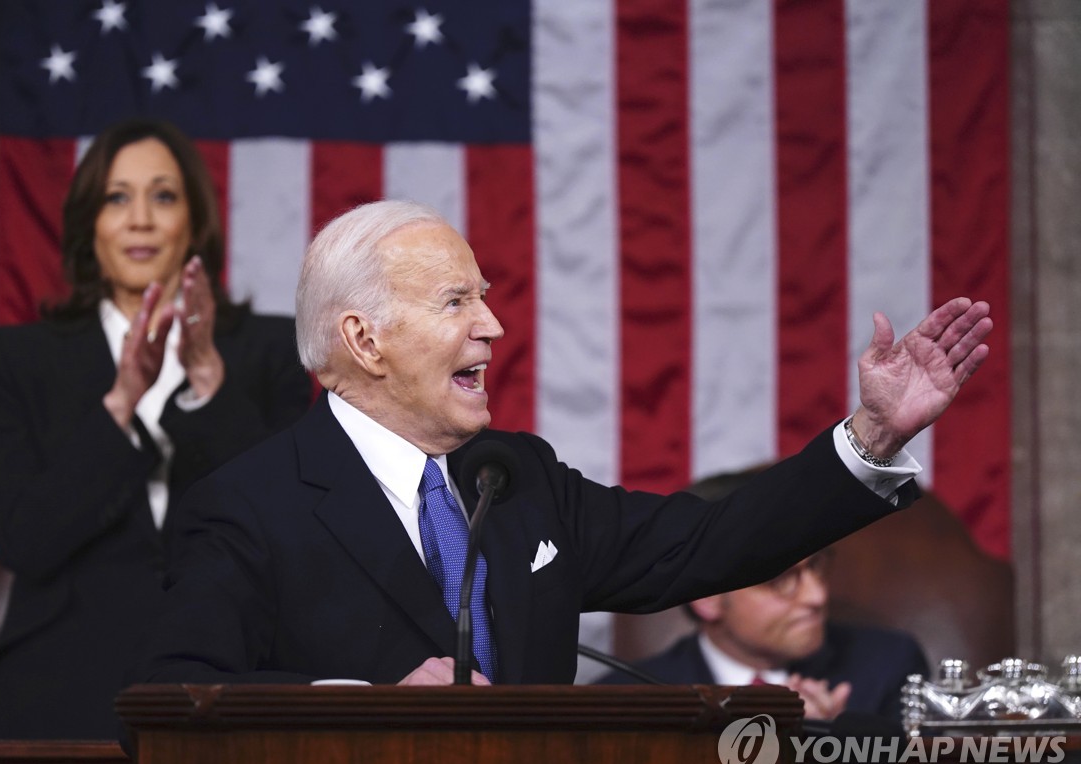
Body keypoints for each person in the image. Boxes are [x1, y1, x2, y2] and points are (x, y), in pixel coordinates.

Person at [132, 199, 990, 689]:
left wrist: (871, 433)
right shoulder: (247, 506)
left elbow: (710, 542)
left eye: (487, 298)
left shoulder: (517, 478)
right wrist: (359, 705)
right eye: (456, 302)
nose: (494, 327)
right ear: (364, 340)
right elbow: (174, 700)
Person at [0, 118, 311, 739]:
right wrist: (120, 405)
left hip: (228, 682)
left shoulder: (268, 350)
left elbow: (291, 532)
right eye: (116, 197)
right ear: (88, 224)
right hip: (57, 688)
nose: (140, 220)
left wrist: (209, 380)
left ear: (194, 220)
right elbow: (26, 541)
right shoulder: (19, 359)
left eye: (163, 196)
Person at [595, 468, 929, 724]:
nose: (817, 596)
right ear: (707, 598)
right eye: (781, 579)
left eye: (816, 565)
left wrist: (829, 756)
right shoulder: (624, 701)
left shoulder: (889, 667)